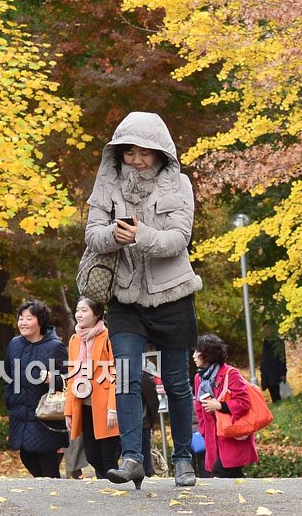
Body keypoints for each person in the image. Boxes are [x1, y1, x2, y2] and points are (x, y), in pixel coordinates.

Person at [85, 111, 202, 488]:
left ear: (161, 152)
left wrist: (140, 235)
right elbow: (92, 235)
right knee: (126, 376)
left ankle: (182, 458)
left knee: (177, 382)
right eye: (129, 152)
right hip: (125, 297)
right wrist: (113, 235)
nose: (136, 159)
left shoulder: (179, 184)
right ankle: (133, 457)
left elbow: (179, 239)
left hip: (173, 296)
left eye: (145, 152)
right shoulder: (108, 183)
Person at [5, 299, 69, 478]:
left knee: (46, 461)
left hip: (46, 414)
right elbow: (7, 375)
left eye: (28, 318)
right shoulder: (14, 344)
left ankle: (56, 493)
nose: (23, 323)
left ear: (40, 321)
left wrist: (54, 379)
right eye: (20, 318)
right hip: (20, 413)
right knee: (26, 456)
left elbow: (69, 378)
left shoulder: (55, 346)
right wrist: (9, 398)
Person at [64, 297, 121, 478]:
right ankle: (105, 483)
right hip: (84, 403)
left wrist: (112, 408)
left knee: (108, 455)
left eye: (84, 310)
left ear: (96, 315)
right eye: (77, 310)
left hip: (105, 404)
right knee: (92, 455)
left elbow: (114, 373)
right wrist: (68, 411)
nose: (79, 315)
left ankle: (110, 487)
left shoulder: (107, 337)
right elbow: (72, 375)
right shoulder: (75, 340)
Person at [193, 333, 258, 478]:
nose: (194, 356)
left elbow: (243, 403)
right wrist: (204, 432)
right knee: (230, 475)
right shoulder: (199, 378)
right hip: (212, 437)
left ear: (208, 354)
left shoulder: (230, 373)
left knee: (222, 471)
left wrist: (219, 405)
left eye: (197, 352)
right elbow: (199, 408)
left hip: (232, 435)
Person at [260, 321, 287, 403]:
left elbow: (282, 358)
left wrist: (283, 373)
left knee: (278, 396)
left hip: (276, 374)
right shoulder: (265, 341)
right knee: (273, 395)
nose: (266, 330)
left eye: (267, 328)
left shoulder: (277, 341)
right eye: (264, 328)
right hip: (267, 374)